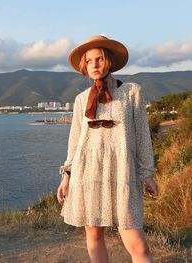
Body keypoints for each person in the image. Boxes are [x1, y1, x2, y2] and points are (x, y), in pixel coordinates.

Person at [57, 35, 158, 263]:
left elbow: (142, 134)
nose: (94, 64)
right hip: (88, 171)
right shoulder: (81, 99)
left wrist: (147, 173)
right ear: (84, 65)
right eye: (89, 60)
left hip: (123, 171)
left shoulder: (132, 92)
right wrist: (67, 176)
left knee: (138, 244)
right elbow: (75, 141)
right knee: (93, 233)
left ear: (109, 62)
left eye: (99, 59)